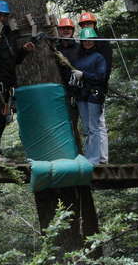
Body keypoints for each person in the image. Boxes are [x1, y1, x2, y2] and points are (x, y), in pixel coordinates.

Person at [0, 0, 35, 163]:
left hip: (6, 81)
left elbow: (13, 60)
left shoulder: (9, 33)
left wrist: (24, 51)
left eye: (3, 15)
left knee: (2, 117)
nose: (1, 18)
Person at [78, 12, 113, 164]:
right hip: (83, 92)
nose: (86, 26)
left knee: (97, 126)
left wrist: (86, 76)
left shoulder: (102, 48)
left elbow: (103, 73)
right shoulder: (80, 53)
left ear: (94, 25)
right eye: (84, 24)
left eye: (89, 24)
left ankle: (99, 159)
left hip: (97, 89)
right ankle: (92, 157)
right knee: (89, 128)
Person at [72, 27, 107, 166]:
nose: (87, 42)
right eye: (84, 40)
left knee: (94, 127)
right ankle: (89, 157)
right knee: (86, 129)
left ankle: (94, 159)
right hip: (82, 95)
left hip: (94, 94)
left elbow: (101, 77)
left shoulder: (98, 57)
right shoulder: (79, 58)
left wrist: (84, 75)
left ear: (94, 41)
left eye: (90, 40)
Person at [56, 18, 82, 151]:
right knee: (63, 124)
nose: (66, 31)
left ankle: (79, 152)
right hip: (60, 91)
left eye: (68, 29)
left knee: (76, 124)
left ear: (72, 31)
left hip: (77, 91)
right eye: (63, 28)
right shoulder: (55, 48)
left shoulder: (79, 48)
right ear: (59, 30)